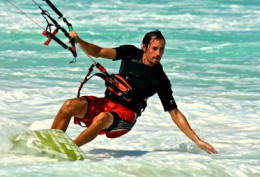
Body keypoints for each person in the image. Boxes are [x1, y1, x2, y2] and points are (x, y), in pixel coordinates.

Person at [51, 30, 217, 154]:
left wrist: (197, 140)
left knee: (102, 118)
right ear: (144, 47)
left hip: (126, 116)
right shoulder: (130, 53)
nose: (158, 53)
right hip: (107, 103)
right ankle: (50, 142)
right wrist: (79, 40)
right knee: (69, 105)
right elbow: (99, 52)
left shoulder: (160, 78)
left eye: (162, 50)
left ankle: (69, 148)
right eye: (155, 48)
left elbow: (175, 113)